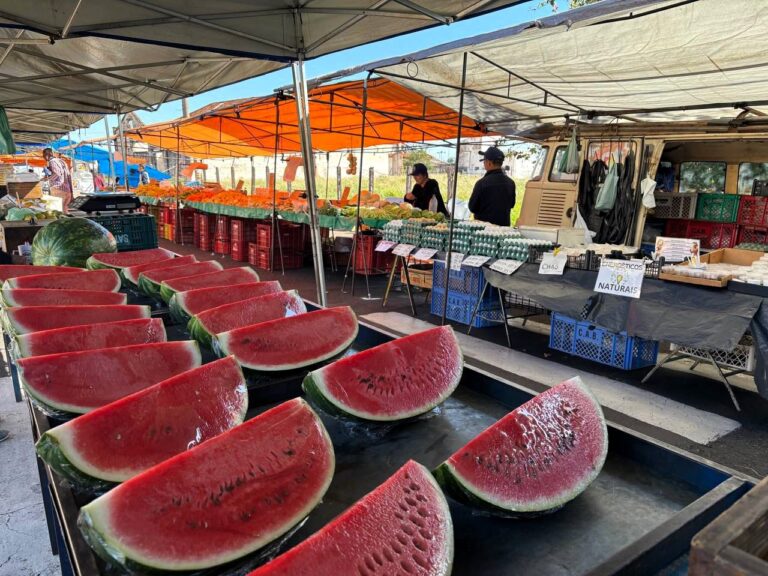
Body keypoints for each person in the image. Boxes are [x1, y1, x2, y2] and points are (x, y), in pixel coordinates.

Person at [468, 146, 516, 226]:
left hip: (484, 232)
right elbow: (512, 204)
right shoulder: (511, 183)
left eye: (484, 161)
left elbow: (472, 207)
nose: (484, 164)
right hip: (504, 230)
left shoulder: (481, 183)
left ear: (489, 163)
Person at [42, 148, 73, 213]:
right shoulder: (62, 161)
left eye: (44, 156)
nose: (44, 158)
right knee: (64, 210)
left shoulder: (52, 161)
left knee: (58, 211)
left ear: (47, 155)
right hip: (66, 189)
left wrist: (46, 180)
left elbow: (57, 173)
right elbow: (67, 174)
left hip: (58, 189)